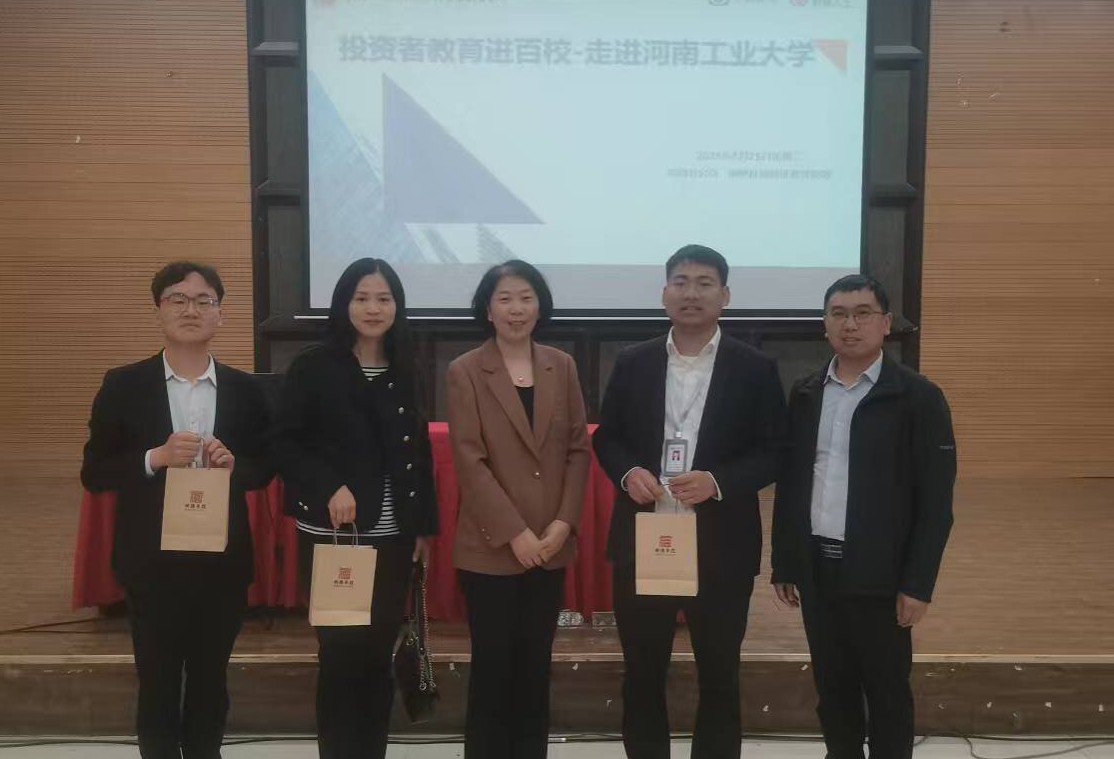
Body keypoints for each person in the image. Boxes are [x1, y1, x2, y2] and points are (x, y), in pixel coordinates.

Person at [593, 244, 786, 759]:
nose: (691, 293)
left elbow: (775, 451)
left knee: (719, 676)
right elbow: (607, 437)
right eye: (680, 282)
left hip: (721, 545)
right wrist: (629, 472)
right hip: (644, 539)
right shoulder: (633, 362)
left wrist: (719, 481)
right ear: (664, 294)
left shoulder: (755, 368)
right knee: (642, 674)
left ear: (725, 295)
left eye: (704, 283)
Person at [81, 261, 272, 759]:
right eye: (178, 300)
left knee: (211, 683)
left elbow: (265, 467)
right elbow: (95, 472)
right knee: (158, 683)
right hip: (151, 563)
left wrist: (235, 466)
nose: (191, 310)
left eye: (204, 301)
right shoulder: (124, 385)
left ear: (220, 315)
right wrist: (156, 457)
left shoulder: (246, 389)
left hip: (222, 562)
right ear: (158, 311)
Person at [771, 274, 956, 759]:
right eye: (838, 314)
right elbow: (793, 483)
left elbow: (936, 503)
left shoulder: (918, 397)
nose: (850, 325)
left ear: (886, 323)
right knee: (833, 692)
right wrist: (786, 561)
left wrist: (918, 583)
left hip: (881, 574)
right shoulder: (807, 392)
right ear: (825, 324)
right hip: (817, 568)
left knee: (887, 693)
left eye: (862, 314)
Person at [272, 258, 438, 759]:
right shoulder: (314, 366)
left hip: (392, 537)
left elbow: (419, 454)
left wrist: (422, 529)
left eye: (384, 299)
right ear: (344, 303)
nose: (373, 308)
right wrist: (329, 487)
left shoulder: (406, 366)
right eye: (362, 298)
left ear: (397, 307)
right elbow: (285, 442)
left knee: (376, 656)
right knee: (341, 657)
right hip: (335, 536)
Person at [446, 260, 590, 759]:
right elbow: (469, 460)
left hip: (550, 545)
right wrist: (515, 533)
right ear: (487, 309)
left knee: (534, 668)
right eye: (505, 298)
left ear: (539, 306)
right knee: (493, 670)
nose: (516, 309)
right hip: (491, 549)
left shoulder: (561, 365)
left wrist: (563, 523)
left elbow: (577, 450)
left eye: (526, 298)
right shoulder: (465, 370)